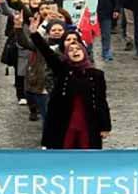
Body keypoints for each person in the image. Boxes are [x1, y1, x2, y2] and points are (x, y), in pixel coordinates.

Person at [28, 16, 111, 149]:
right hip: (64, 121)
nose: (75, 52)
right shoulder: (62, 69)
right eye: (71, 50)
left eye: (78, 49)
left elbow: (101, 101)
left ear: (84, 53)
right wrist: (34, 33)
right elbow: (47, 53)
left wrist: (105, 126)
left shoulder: (96, 75)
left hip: (88, 122)